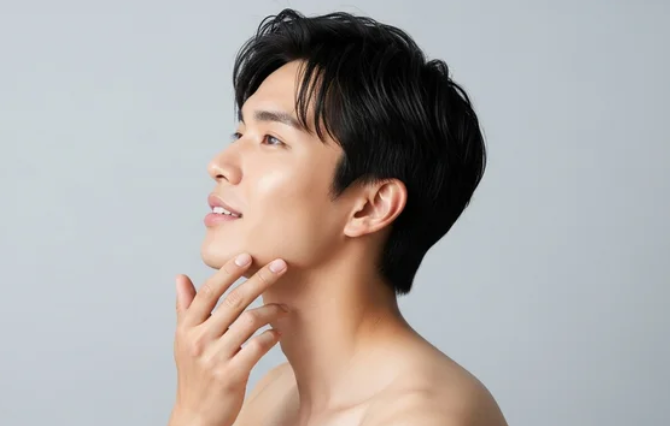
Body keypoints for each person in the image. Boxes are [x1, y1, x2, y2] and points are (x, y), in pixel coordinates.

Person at [169, 8, 508, 426]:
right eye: (240, 134)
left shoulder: (423, 416)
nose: (219, 164)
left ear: (370, 206)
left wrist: (193, 416)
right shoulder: (273, 391)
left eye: (272, 139)